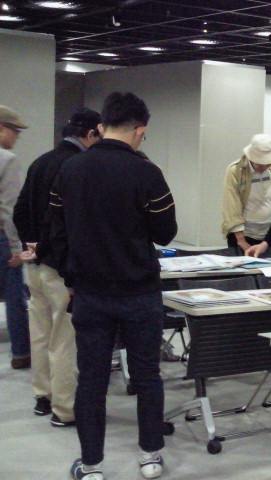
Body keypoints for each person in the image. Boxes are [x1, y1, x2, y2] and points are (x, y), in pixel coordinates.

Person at [49, 92, 177, 480]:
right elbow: (166, 232)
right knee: (147, 376)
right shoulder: (147, 172)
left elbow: (56, 236)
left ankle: (91, 465)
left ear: (103, 126)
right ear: (140, 130)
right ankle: (150, 456)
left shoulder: (69, 170)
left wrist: (71, 279)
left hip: (90, 293)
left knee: (91, 381)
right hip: (140, 292)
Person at [13, 107, 101, 427]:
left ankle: (43, 396)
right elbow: (70, 224)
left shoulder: (40, 161)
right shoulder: (78, 167)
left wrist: (31, 244)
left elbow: (20, 211)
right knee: (64, 339)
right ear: (90, 134)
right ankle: (65, 409)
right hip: (61, 268)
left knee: (40, 333)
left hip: (35, 264)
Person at [0, 105, 30, 370]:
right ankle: (20, 353)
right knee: (14, 297)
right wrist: (16, 247)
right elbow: (9, 209)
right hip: (2, 238)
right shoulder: (7, 159)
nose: (17, 137)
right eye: (15, 131)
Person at [221, 134, 271, 255]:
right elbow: (231, 206)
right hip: (244, 235)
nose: (264, 166)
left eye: (267, 163)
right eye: (260, 164)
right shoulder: (235, 171)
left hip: (268, 235)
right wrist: (241, 241)